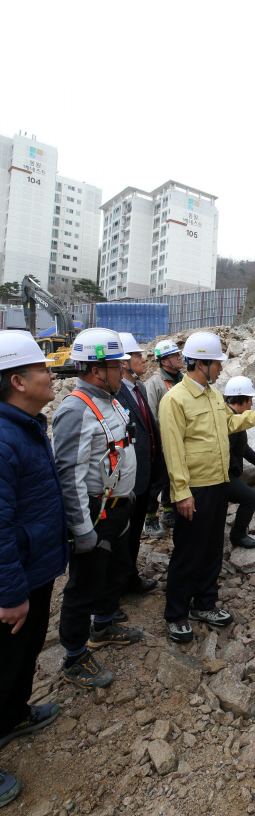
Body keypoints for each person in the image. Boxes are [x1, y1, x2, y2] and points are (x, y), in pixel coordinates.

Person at [159, 332, 255, 644]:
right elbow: (172, 451)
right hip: (194, 490)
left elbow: (230, 424)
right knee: (188, 552)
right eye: (216, 363)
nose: (220, 369)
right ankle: (176, 614)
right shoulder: (174, 400)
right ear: (200, 363)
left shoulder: (213, 395)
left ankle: (205, 604)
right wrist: (181, 493)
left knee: (212, 548)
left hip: (219, 484)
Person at [52, 327, 142, 689]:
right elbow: (69, 475)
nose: (125, 371)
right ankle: (74, 655)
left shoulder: (113, 400)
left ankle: (103, 625)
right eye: (118, 366)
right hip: (94, 511)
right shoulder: (75, 410)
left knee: (114, 569)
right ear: (96, 369)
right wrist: (81, 529)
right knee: (84, 584)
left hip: (119, 506)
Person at [0, 333, 68, 808]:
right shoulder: (4, 439)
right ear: (19, 381)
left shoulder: (27, 424)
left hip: (36, 565)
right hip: (15, 576)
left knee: (23, 654)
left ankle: (14, 716)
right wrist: (9, 593)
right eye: (43, 370)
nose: (51, 375)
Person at [117, 333, 167, 604]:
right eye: (137, 355)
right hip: (127, 480)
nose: (143, 358)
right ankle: (112, 594)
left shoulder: (139, 388)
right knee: (121, 536)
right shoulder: (115, 393)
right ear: (123, 362)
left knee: (134, 533)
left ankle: (129, 578)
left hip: (143, 475)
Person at [224, 376, 255, 549]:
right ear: (241, 398)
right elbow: (225, 450)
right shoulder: (230, 419)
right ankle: (237, 535)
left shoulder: (234, 416)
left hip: (227, 474)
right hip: (222, 476)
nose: (252, 403)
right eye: (250, 399)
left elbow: (242, 447)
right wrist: (233, 471)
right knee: (251, 498)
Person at [144, 339, 184, 536]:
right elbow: (151, 414)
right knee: (157, 480)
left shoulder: (183, 380)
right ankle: (150, 517)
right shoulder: (155, 383)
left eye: (179, 354)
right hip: (161, 441)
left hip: (179, 441)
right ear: (164, 360)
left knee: (172, 478)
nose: (180, 357)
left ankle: (168, 513)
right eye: (175, 355)